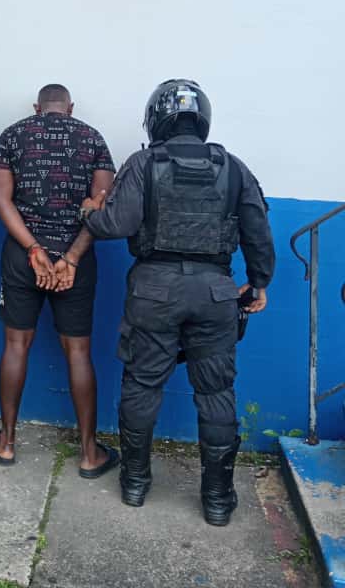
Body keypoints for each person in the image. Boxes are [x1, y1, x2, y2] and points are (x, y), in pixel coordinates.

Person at [81, 79, 274, 525]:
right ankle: (218, 501)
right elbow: (258, 233)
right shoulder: (234, 168)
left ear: (156, 119)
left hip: (154, 292)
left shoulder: (144, 163)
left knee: (142, 385)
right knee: (216, 392)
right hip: (215, 293)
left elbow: (115, 224)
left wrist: (88, 212)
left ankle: (134, 484)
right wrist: (258, 283)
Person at [0, 84, 117, 476]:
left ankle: (7, 443)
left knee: (16, 345)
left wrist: (33, 249)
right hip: (75, 259)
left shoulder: (12, 135)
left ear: (37, 107)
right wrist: (71, 257)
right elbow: (100, 208)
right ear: (70, 108)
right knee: (78, 352)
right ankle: (89, 453)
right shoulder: (93, 139)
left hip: (22, 257)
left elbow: (2, 200)